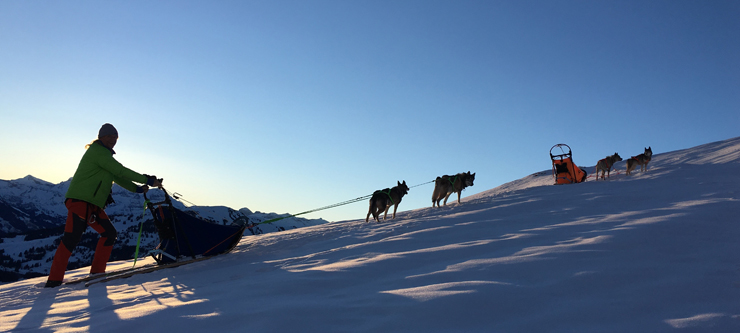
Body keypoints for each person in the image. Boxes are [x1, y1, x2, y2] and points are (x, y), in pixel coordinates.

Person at [45, 123, 162, 288]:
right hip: (81, 202)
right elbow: (120, 171)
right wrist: (147, 180)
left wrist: (136, 188)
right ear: (101, 137)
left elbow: (117, 176)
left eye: (115, 138)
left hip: (91, 205)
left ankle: (97, 272)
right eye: (110, 137)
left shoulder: (105, 156)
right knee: (71, 239)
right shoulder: (98, 152)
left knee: (109, 233)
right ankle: (54, 280)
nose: (113, 140)